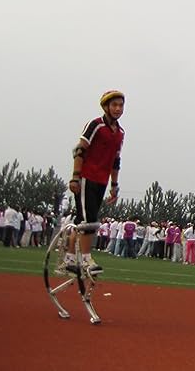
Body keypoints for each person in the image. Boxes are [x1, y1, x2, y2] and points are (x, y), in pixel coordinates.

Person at [66, 90, 125, 276]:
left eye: (121, 105)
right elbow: (80, 150)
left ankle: (69, 259)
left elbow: (116, 161)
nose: (118, 109)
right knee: (89, 221)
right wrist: (75, 176)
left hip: (101, 180)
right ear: (106, 107)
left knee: (82, 220)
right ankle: (85, 259)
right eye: (114, 105)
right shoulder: (96, 125)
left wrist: (114, 185)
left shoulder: (120, 132)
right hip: (86, 177)